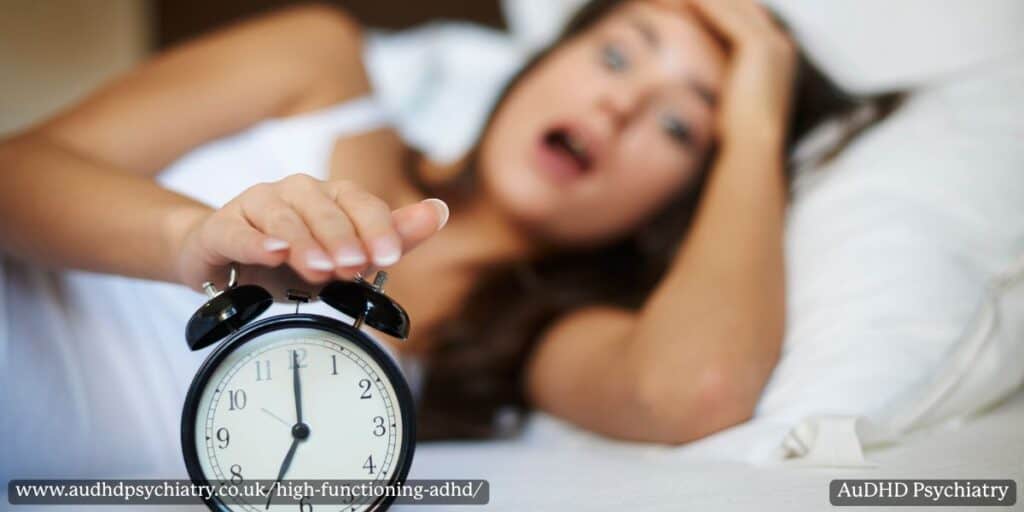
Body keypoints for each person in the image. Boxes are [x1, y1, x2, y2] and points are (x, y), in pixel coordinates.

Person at [0, 0, 891, 448]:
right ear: (544, 61)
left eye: (679, 124)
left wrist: (761, 116)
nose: (619, 104)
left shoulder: (526, 339)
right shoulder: (319, 65)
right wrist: (189, 243)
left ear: (680, 206)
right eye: (617, 54)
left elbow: (695, 388)